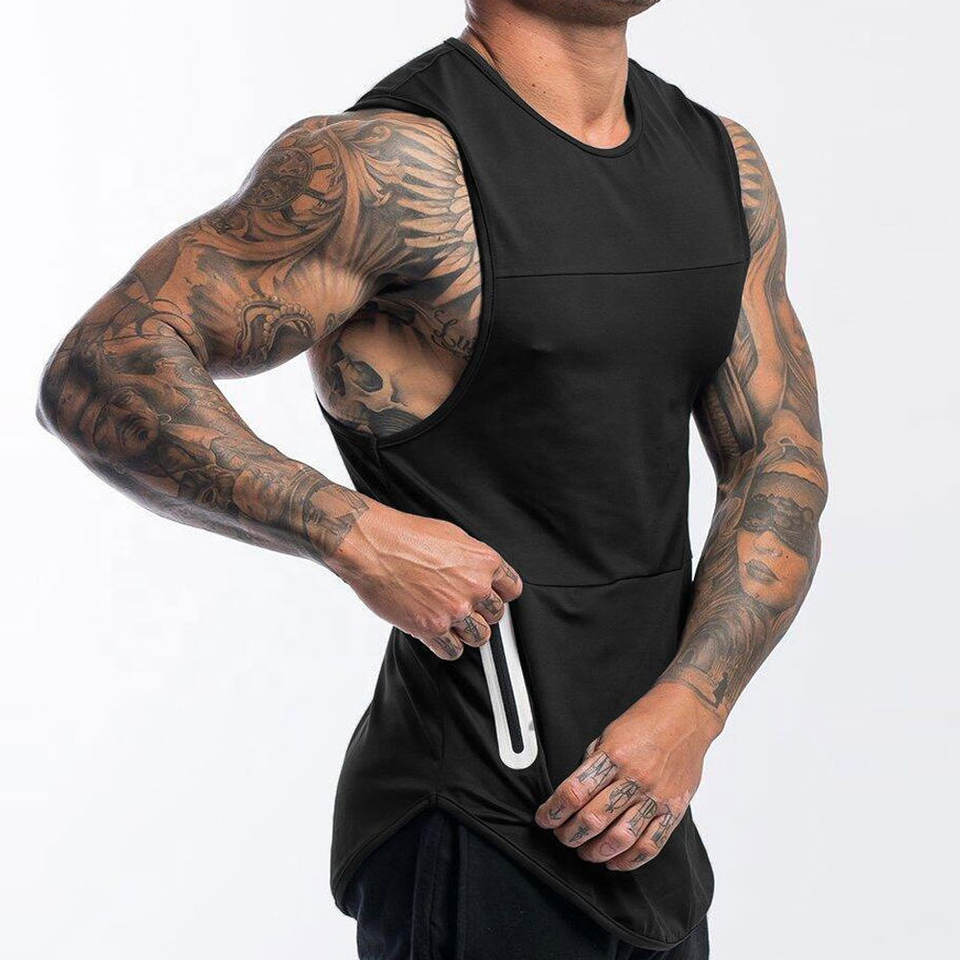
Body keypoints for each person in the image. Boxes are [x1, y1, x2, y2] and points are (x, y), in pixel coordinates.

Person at [37, 1, 827, 956]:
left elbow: (776, 460)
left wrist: (694, 707)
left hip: (648, 814)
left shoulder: (720, 164)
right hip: (474, 818)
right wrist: (352, 532)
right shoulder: (383, 169)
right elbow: (103, 365)